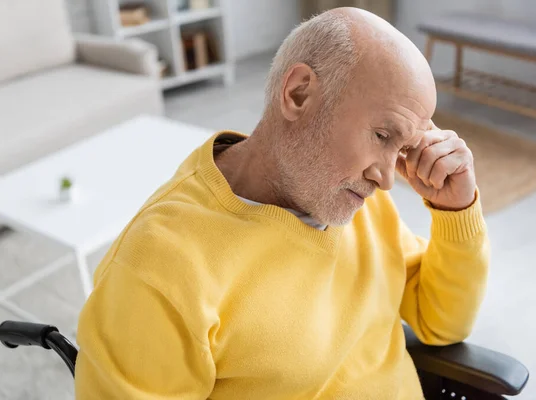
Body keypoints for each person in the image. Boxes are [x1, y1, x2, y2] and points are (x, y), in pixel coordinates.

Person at [75, 7, 488, 399]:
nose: (385, 180)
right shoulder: (158, 270)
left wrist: (457, 209)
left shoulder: (358, 200)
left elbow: (441, 323)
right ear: (298, 93)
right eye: (382, 136)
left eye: (403, 147)